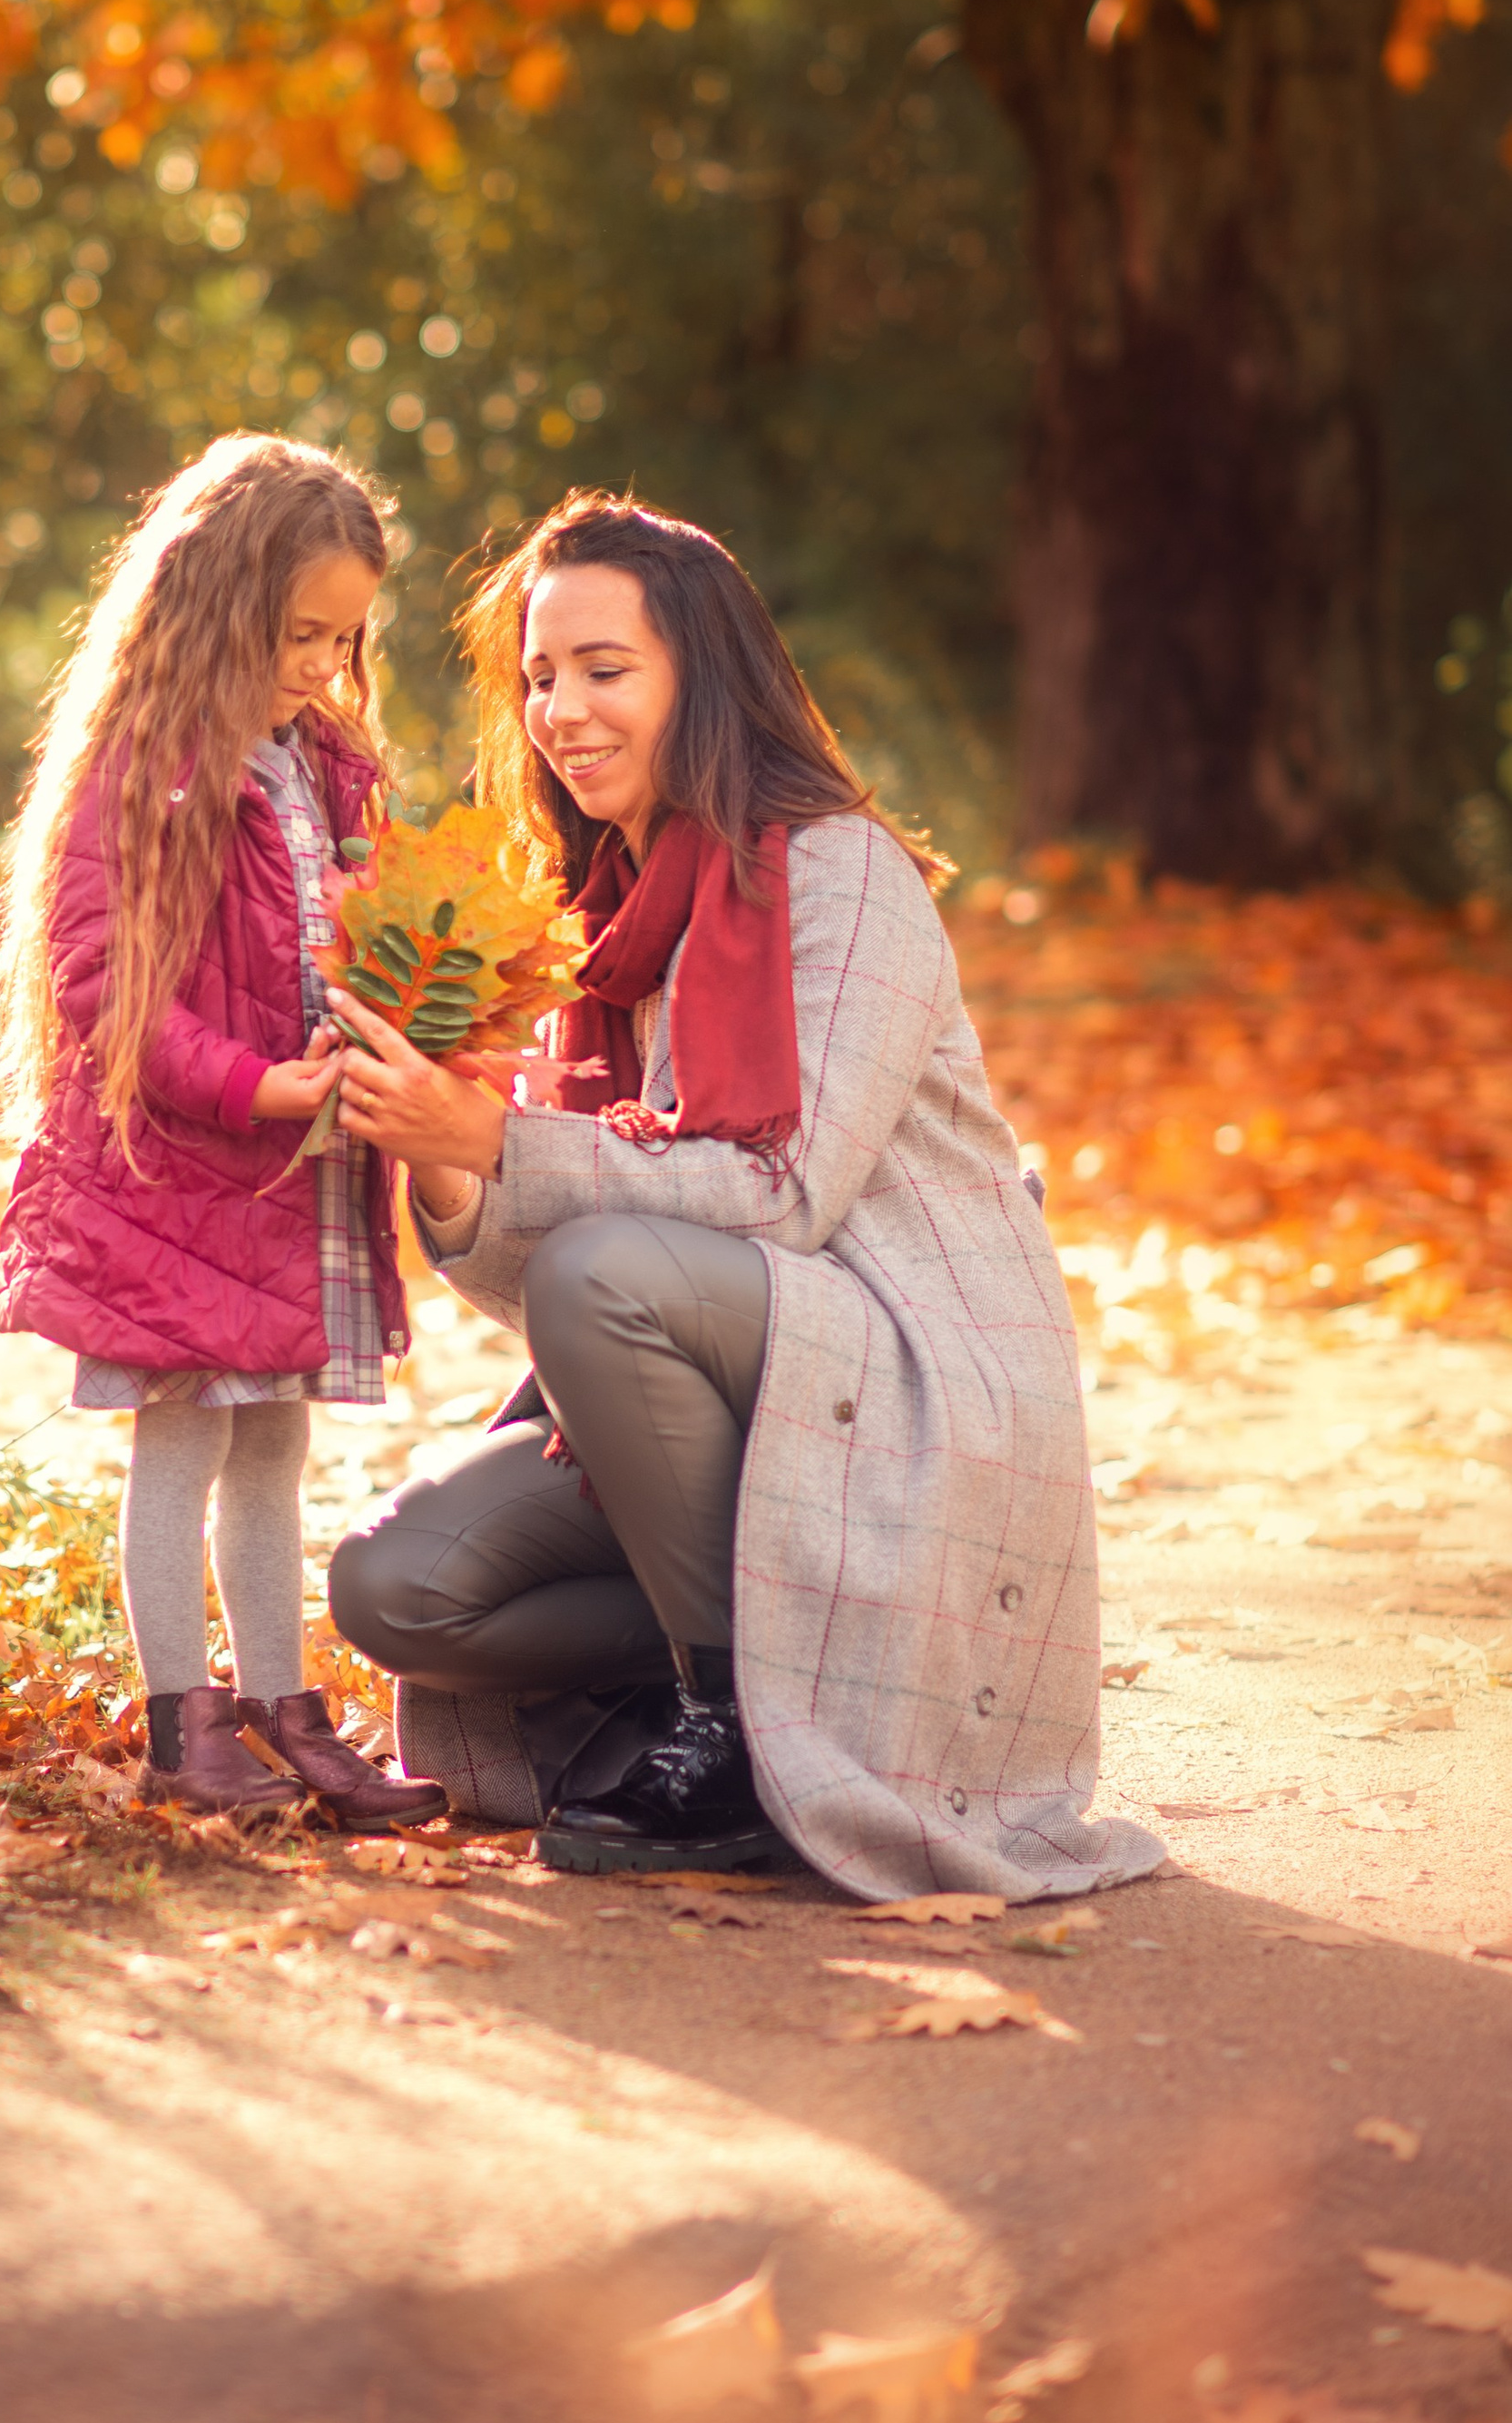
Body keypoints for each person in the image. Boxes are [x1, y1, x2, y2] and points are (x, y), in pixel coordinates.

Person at [325, 492, 1162, 1901]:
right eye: (540, 676)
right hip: (723, 1375)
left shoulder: (839, 872)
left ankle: (727, 1729)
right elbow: (548, 1282)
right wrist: (445, 1149)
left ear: (700, 677)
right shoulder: (594, 925)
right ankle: (730, 1684)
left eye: (605, 669)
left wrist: (509, 1146)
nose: (561, 711)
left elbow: (788, 1197)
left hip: (908, 1370)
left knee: (599, 1268)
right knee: (396, 1588)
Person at [0, 433, 443, 1830]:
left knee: (277, 1452)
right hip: (181, 1177)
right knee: (179, 1448)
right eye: (299, 632)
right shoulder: (146, 766)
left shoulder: (324, 762)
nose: (322, 663)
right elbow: (104, 991)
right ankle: (184, 1724)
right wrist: (254, 1087)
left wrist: (406, 1001)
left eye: (344, 637)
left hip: (290, 1182)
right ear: (216, 604)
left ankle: (283, 1709)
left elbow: (354, 933)